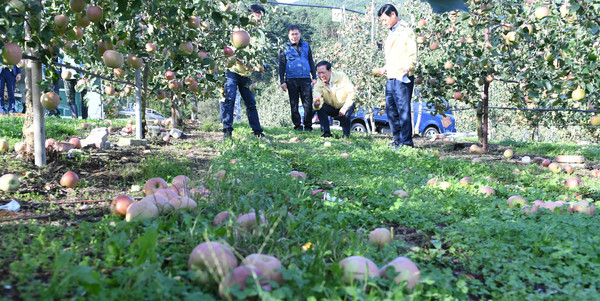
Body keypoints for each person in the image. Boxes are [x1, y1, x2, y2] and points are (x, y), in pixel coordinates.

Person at [220, 3, 269, 142]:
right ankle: (227, 133)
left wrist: (261, 65)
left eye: (260, 16)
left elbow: (260, 55)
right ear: (249, 15)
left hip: (247, 74)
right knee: (229, 100)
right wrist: (241, 60)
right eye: (256, 15)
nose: (257, 19)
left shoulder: (260, 35)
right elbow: (230, 50)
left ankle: (258, 132)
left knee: (251, 103)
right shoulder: (239, 30)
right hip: (233, 71)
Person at [375, 4, 418, 149]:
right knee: (391, 110)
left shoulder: (407, 30)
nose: (384, 23)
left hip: (402, 76)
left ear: (393, 14)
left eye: (385, 19)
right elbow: (393, 57)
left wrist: (409, 68)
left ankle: (406, 142)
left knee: (403, 110)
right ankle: (398, 139)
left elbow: (412, 52)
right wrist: (384, 68)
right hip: (391, 76)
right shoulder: (391, 32)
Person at [279, 25, 317, 132]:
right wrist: (282, 81)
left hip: (305, 78)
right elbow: (281, 65)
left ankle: (308, 126)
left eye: (296, 34)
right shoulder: (284, 47)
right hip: (291, 79)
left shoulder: (306, 45)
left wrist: (314, 77)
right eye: (292, 34)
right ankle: (297, 125)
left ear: (300, 34)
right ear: (288, 35)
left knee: (308, 103)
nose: (294, 36)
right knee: (294, 103)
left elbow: (311, 61)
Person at [312, 61, 356, 138]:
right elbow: (317, 97)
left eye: (323, 72)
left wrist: (345, 107)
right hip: (331, 107)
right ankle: (326, 133)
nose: (321, 76)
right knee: (320, 108)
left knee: (347, 112)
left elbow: (351, 93)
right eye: (319, 73)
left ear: (330, 70)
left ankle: (346, 135)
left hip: (344, 105)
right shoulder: (318, 85)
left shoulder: (341, 77)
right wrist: (317, 104)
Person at [62, 53, 88, 119]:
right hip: (68, 75)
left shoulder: (76, 44)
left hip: (78, 75)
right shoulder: (61, 46)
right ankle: (76, 118)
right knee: (71, 98)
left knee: (82, 98)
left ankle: (82, 118)